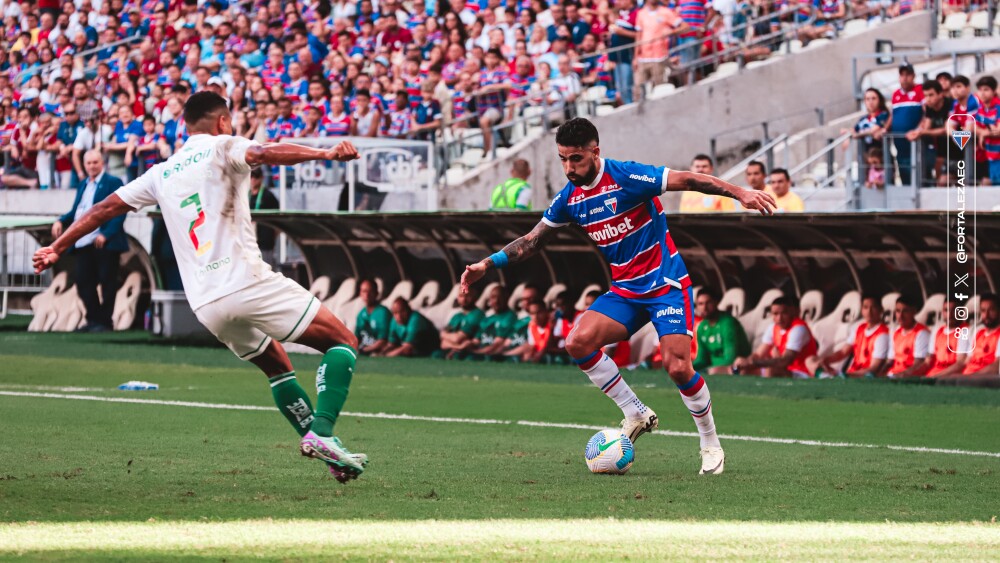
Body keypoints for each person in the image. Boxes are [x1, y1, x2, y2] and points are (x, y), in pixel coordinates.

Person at [34, 92, 367, 482]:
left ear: (184, 127)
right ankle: (322, 432)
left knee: (278, 368)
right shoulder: (225, 146)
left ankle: (330, 456)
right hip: (245, 280)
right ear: (223, 122)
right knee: (343, 342)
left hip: (206, 302)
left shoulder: (160, 173)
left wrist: (57, 246)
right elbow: (263, 152)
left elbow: (101, 209)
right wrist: (324, 154)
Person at [460, 117, 776, 475]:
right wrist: (487, 264)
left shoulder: (627, 177)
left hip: (666, 285)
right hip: (625, 291)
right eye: (563, 159)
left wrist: (741, 193)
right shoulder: (570, 198)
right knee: (577, 342)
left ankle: (710, 442)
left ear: (596, 152)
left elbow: (688, 179)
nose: (569, 167)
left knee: (676, 366)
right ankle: (635, 411)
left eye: (576, 159)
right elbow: (533, 241)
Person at [51, 149, 126, 332]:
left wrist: (106, 234)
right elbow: (77, 211)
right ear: (84, 165)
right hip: (84, 242)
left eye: (95, 162)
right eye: (89, 163)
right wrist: (61, 220)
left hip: (104, 242)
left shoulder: (113, 182)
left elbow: (119, 211)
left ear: (102, 163)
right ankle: (93, 319)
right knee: (83, 282)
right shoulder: (83, 184)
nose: (92, 166)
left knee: (107, 282)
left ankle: (105, 322)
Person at [806, 294, 889, 379]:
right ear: (861, 309)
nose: (869, 311)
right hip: (850, 373)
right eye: (865, 307)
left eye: (873, 307)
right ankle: (827, 377)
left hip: (863, 376)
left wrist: (847, 375)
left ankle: (828, 377)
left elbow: (873, 368)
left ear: (881, 310)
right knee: (810, 360)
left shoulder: (883, 334)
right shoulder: (859, 328)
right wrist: (825, 360)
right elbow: (843, 352)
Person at [734, 296, 817, 379]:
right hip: (784, 370)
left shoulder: (799, 328)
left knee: (770, 370)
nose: (779, 318)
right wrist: (746, 362)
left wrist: (753, 363)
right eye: (775, 314)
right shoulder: (773, 327)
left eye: (784, 313)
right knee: (741, 369)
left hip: (802, 372)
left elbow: (786, 361)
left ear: (791, 312)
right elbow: (759, 354)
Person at [692, 286, 751, 375]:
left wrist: (707, 370)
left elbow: (730, 359)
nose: (704, 308)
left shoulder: (728, 323)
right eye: (700, 304)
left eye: (708, 303)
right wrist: (687, 368)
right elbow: (702, 359)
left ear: (716, 302)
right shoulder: (702, 327)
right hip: (712, 371)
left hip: (736, 371)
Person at [887, 63, 924, 185]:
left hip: (915, 141)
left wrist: (918, 130)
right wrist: (885, 128)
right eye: (902, 75)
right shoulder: (896, 94)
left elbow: (926, 113)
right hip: (899, 141)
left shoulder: (920, 90)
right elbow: (893, 115)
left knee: (917, 169)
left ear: (913, 76)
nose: (904, 78)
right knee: (902, 168)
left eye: (907, 74)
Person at [886, 294, 931, 378]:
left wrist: (901, 375)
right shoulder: (896, 332)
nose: (900, 316)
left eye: (905, 311)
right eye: (898, 311)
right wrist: (876, 375)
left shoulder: (921, 333)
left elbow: (919, 363)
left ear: (914, 311)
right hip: (892, 375)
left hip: (907, 378)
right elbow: (890, 361)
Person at [926, 299, 971, 377]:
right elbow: (928, 361)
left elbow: (960, 364)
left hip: (950, 378)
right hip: (933, 375)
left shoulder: (966, 331)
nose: (949, 315)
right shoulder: (937, 330)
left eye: (954, 310)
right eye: (946, 310)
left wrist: (935, 377)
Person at [959, 294, 1000, 377]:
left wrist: (968, 378)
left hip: (983, 380)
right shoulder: (978, 332)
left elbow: (996, 366)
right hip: (966, 378)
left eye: (991, 310)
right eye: (983, 311)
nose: (986, 315)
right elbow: (966, 361)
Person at [439, 286, 486, 359]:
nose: (464, 299)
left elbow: (457, 339)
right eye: (461, 296)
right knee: (436, 354)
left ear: (475, 297)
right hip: (455, 349)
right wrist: (458, 347)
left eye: (467, 296)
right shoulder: (456, 316)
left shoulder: (477, 314)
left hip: (470, 352)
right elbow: (442, 341)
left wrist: (446, 336)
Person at [249, 167, 280, 267]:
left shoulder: (268, 196)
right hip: (249, 240)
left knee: (266, 268)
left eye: (256, 176)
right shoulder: (246, 195)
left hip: (265, 241)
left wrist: (273, 238)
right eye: (251, 176)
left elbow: (278, 219)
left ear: (261, 178)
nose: (253, 179)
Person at [355, 278, 393, 356]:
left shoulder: (383, 313)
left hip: (379, 354)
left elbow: (383, 341)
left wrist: (363, 350)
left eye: (370, 291)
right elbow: (357, 338)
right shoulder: (361, 314)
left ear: (376, 293)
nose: (367, 295)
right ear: (360, 293)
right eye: (364, 291)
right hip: (364, 353)